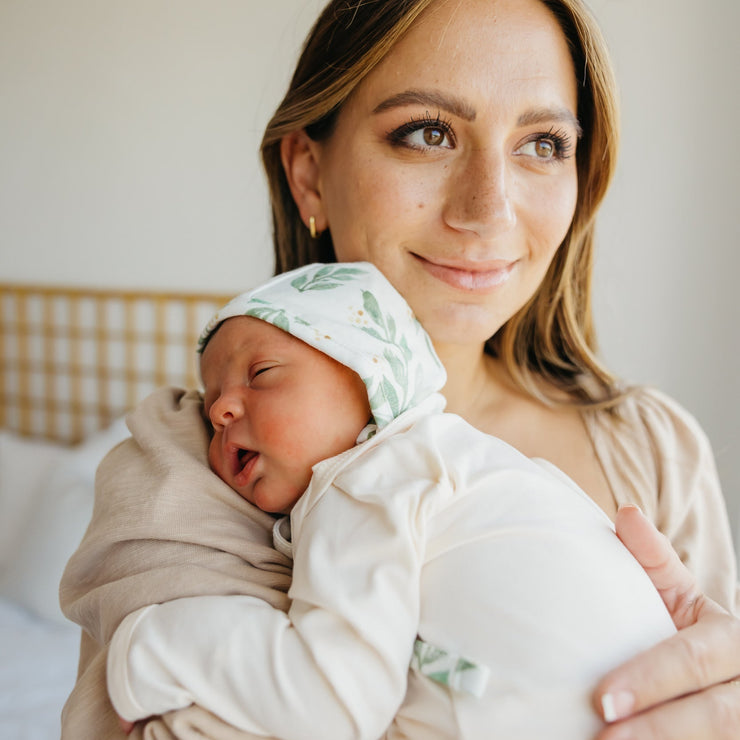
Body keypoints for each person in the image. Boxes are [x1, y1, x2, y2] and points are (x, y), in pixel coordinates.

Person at [60, 0, 740, 738]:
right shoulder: (205, 459)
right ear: (310, 173)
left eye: (543, 143)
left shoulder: (653, 448)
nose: (489, 209)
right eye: (428, 133)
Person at [106, 262, 676, 740]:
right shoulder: (472, 465)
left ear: (368, 373)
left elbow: (333, 702)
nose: (220, 411)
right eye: (211, 403)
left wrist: (153, 646)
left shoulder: (373, 476)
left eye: (261, 373)